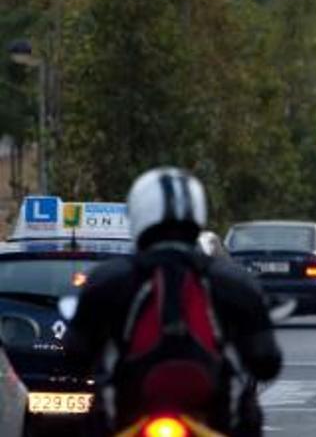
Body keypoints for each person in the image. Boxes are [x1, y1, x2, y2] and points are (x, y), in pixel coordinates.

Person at [65, 168, 283, 437]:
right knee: (249, 413)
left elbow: (74, 357)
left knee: (88, 418)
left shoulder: (109, 280)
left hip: (128, 419)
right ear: (198, 214)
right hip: (214, 420)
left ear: (139, 214)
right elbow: (267, 362)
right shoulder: (232, 281)